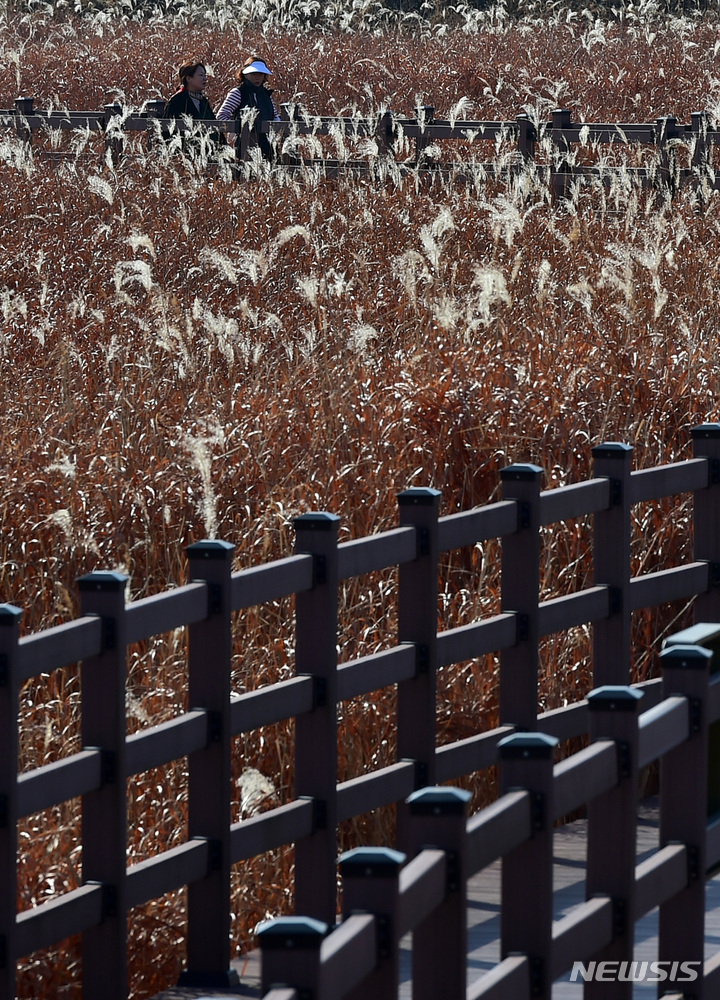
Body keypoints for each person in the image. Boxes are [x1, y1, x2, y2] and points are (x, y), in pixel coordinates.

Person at [216, 56, 279, 161]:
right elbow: (221, 116)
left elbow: (275, 117)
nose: (257, 77)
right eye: (254, 74)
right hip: (243, 145)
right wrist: (235, 128)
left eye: (260, 74)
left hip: (266, 144)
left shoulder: (266, 95)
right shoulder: (238, 93)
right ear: (245, 74)